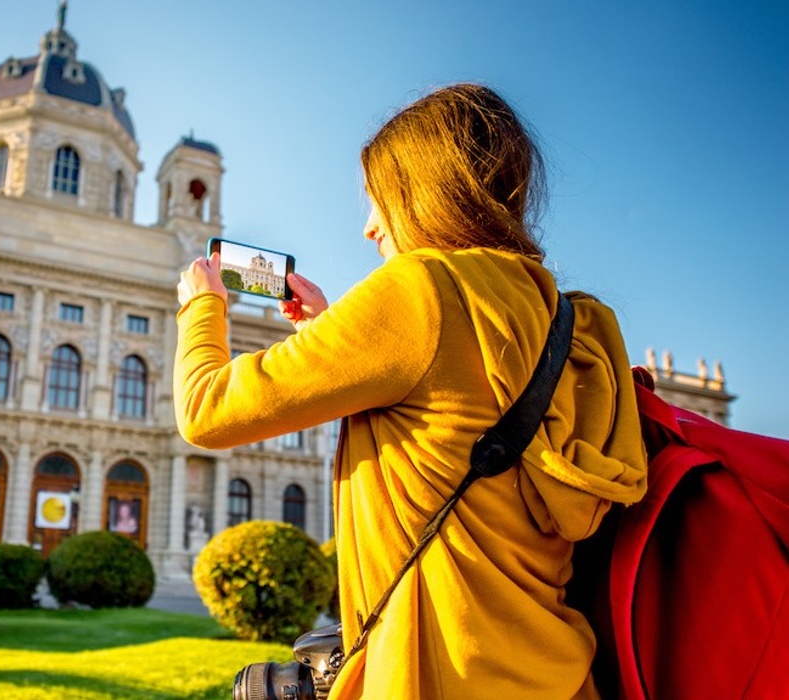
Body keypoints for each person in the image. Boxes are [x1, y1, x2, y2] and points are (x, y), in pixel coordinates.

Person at [174, 84, 647, 699]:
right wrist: (327, 329)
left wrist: (203, 308)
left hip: (439, 675)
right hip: (556, 671)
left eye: (378, 201)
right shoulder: (568, 317)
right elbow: (454, 411)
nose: (369, 229)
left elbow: (206, 410)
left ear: (423, 194)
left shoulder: (417, 288)